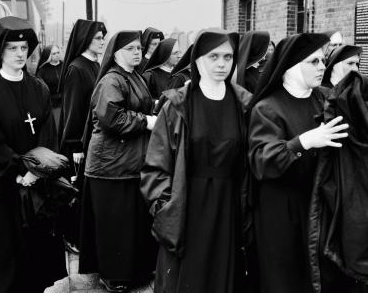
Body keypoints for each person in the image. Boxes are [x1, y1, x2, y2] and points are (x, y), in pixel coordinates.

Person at [140, 29, 251, 293]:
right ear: (198, 59)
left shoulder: (244, 104)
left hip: (229, 207)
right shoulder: (178, 105)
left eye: (227, 56)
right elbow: (155, 165)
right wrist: (165, 207)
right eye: (213, 56)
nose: (222, 64)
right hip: (186, 206)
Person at [248, 33, 349, 293]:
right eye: (313, 62)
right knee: (286, 276)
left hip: (319, 202)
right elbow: (261, 160)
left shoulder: (326, 98)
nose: (322, 67)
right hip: (282, 208)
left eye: (323, 61)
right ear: (292, 66)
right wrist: (302, 142)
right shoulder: (267, 108)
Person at [0, 16, 66, 293]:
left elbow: (48, 135)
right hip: (3, 189)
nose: (19, 54)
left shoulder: (39, 88)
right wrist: (19, 172)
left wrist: (36, 171)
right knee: (6, 264)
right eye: (12, 48)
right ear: (0, 51)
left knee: (36, 263)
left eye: (24, 48)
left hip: (36, 187)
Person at [79, 31, 157, 292]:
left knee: (131, 222)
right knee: (115, 225)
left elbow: (143, 104)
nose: (137, 52)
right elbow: (112, 119)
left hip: (130, 161)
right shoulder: (112, 80)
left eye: (139, 48)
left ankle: (134, 271)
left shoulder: (134, 76)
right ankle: (114, 276)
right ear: (116, 52)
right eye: (131, 48)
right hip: (110, 166)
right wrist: (147, 121)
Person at [58, 18, 107, 250]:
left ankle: (84, 235)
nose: (102, 41)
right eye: (97, 37)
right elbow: (73, 110)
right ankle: (71, 237)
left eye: (102, 37)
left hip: (91, 139)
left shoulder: (96, 65)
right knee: (75, 191)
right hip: (77, 142)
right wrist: (75, 145)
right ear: (85, 39)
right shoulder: (77, 68)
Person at [37, 45, 63, 125]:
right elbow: (40, 89)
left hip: (64, 102)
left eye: (58, 52)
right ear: (48, 55)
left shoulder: (65, 66)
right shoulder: (43, 70)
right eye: (54, 53)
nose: (57, 55)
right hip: (51, 104)